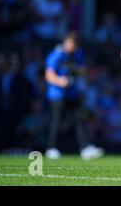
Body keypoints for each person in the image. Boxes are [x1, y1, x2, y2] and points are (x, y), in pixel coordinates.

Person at [44, 31, 104, 160]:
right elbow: (49, 75)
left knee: (79, 118)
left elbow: (83, 70)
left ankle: (85, 148)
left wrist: (75, 70)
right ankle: (51, 148)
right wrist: (60, 81)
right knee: (56, 120)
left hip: (72, 92)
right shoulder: (56, 55)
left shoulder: (77, 53)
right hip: (57, 93)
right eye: (72, 44)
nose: (73, 47)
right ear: (66, 42)